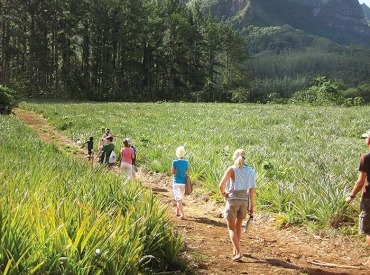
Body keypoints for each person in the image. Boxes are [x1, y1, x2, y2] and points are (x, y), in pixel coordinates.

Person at [218, 148, 256, 262]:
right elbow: (252, 191)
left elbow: (221, 185)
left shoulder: (232, 169)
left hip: (233, 200)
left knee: (231, 228)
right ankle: (235, 250)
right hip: (244, 201)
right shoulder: (251, 171)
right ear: (245, 158)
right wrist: (252, 206)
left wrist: (224, 194)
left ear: (234, 157)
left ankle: (238, 252)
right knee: (238, 226)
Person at [346, 129, 370, 254]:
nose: (365, 140)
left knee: (369, 231)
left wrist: (351, 196)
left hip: (369, 198)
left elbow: (360, 182)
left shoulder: (366, 157)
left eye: (366, 138)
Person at [171, 146, 189, 220]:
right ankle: (177, 212)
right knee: (180, 198)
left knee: (178, 199)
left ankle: (182, 214)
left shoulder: (175, 162)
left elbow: (172, 172)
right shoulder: (186, 162)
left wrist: (176, 172)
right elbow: (187, 172)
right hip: (183, 182)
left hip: (176, 182)